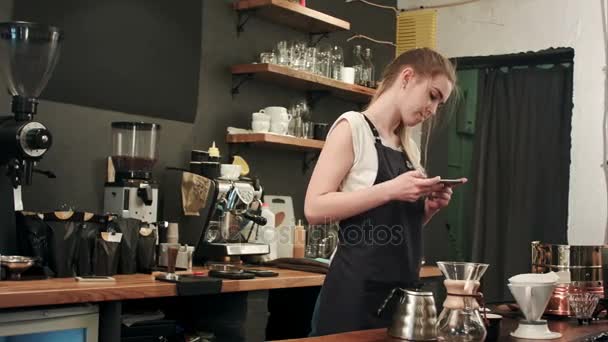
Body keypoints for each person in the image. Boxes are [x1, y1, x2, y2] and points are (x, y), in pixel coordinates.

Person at [304, 47, 464, 336]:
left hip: (399, 296)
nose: (433, 110)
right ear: (407, 77)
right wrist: (390, 189)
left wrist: (427, 210)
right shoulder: (352, 127)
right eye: (432, 95)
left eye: (439, 103)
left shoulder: (408, 148)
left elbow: (396, 226)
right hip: (353, 295)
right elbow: (314, 208)